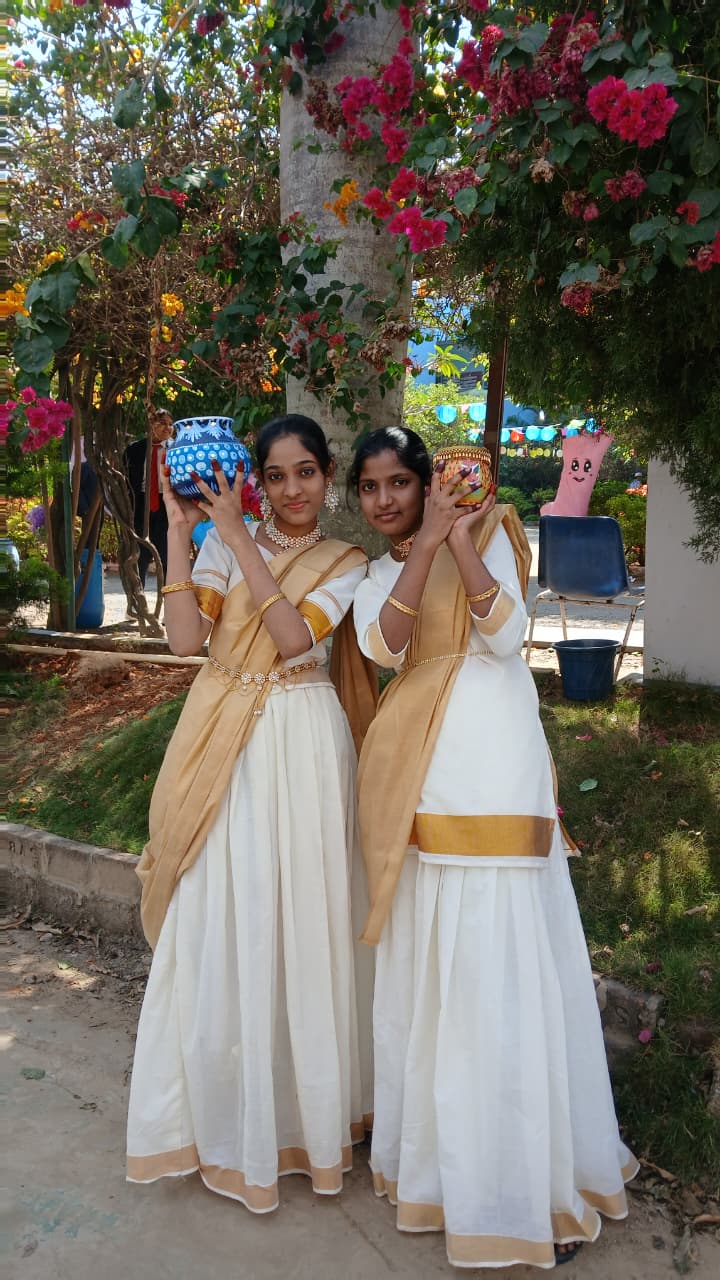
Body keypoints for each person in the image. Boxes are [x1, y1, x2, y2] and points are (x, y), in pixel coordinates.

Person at [349, 426, 637, 1270]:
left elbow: (507, 637)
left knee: (504, 973)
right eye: (370, 487)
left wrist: (460, 540)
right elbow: (383, 649)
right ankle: (447, 1179)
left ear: (432, 481)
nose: (387, 500)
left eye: (402, 482)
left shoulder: (499, 534)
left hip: (498, 765)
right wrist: (425, 546)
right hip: (417, 772)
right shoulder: (375, 575)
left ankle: (533, 1191)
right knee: (439, 977)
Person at [126, 414, 376, 1212]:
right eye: (276, 475)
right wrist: (181, 531)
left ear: (327, 476)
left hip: (304, 741)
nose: (292, 489)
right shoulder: (217, 543)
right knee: (221, 909)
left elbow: (296, 640)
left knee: (302, 916)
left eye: (306, 472)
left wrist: (237, 538)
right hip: (222, 741)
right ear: (256, 479)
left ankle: (307, 1120)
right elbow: (184, 642)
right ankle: (223, 1118)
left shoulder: (348, 561)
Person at [124, 410, 174, 588]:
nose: (168, 428)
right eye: (162, 423)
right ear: (151, 425)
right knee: (140, 556)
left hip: (166, 506)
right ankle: (138, 595)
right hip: (140, 506)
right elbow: (125, 480)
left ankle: (171, 598)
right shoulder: (134, 450)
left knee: (167, 556)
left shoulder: (177, 450)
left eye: (170, 424)